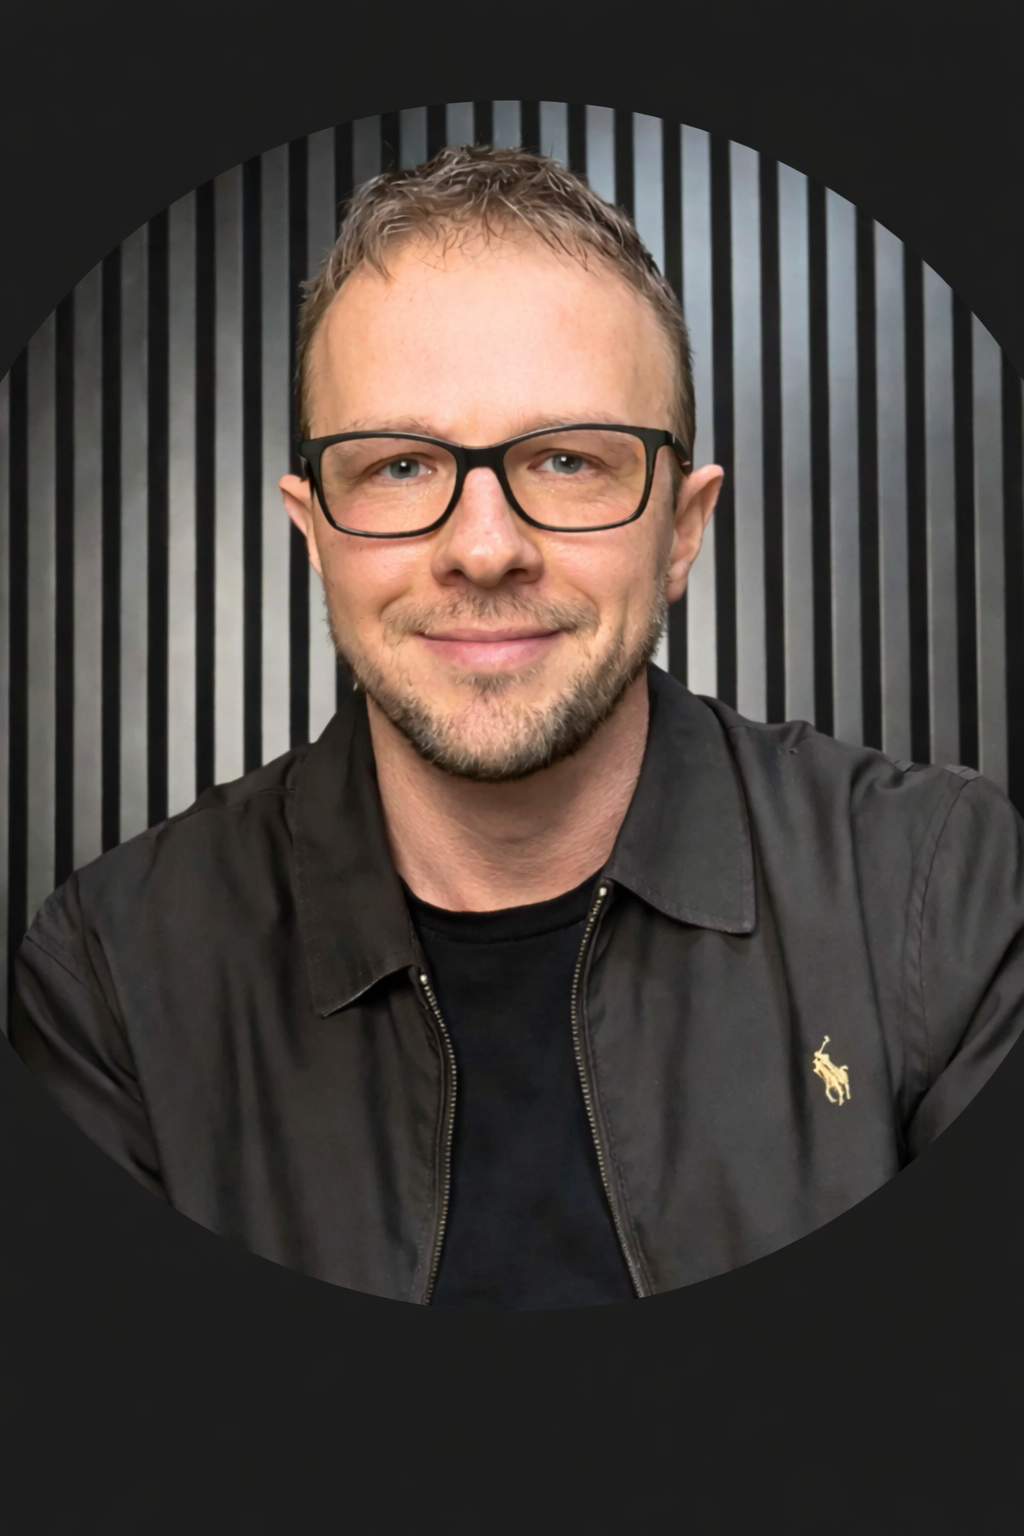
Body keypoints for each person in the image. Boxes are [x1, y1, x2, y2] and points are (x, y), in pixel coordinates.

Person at [11, 145, 1024, 1309]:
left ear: (682, 528)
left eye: (566, 460)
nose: (484, 549)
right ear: (314, 533)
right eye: (400, 465)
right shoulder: (112, 976)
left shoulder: (940, 899)